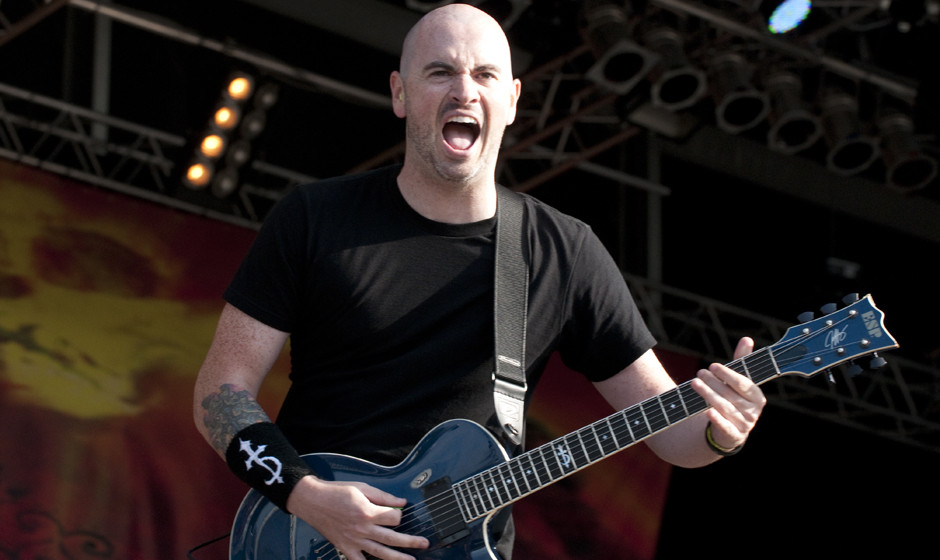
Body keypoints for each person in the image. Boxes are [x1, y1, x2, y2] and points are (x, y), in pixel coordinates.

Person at [192, 4, 766, 560]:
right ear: (399, 93)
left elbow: (671, 434)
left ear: (512, 101)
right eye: (440, 72)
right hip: (306, 540)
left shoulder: (563, 252)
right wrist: (306, 495)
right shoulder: (315, 218)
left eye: (485, 74)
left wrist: (722, 432)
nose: (464, 90)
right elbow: (220, 394)